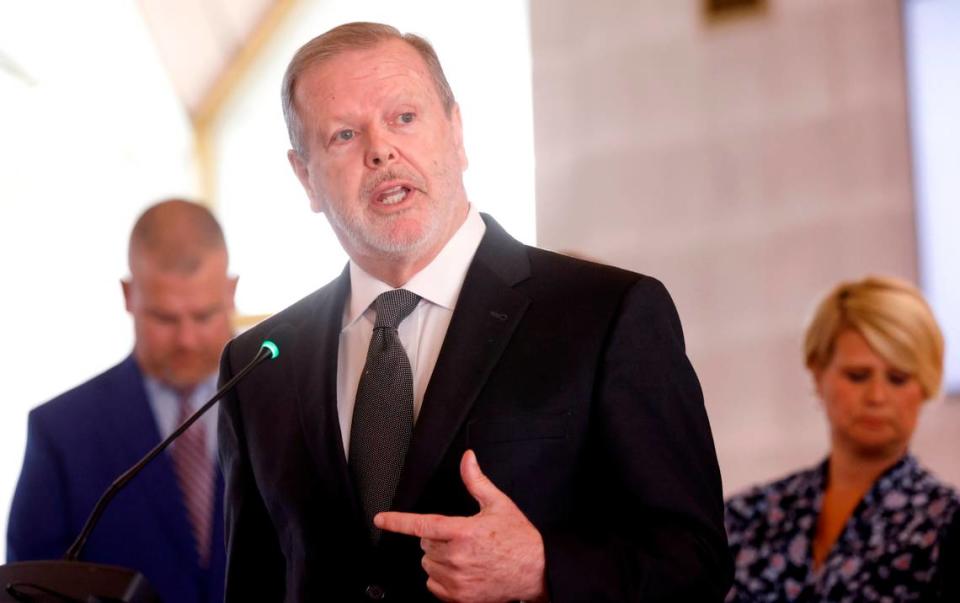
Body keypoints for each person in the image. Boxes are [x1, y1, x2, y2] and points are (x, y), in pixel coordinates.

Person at [218, 22, 731, 602]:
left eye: (404, 118)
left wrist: (542, 570)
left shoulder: (605, 314)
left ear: (456, 133)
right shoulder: (257, 365)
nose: (381, 149)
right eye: (343, 135)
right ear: (305, 176)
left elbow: (696, 563)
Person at [8, 199, 236, 603]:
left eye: (205, 316)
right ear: (129, 295)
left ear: (232, 291)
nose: (187, 339)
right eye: (164, 318)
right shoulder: (61, 433)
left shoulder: (283, 409)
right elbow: (28, 589)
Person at [724, 276, 960, 602]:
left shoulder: (945, 527)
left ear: (928, 385)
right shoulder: (745, 517)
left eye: (898, 378)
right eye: (857, 375)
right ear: (818, 372)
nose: (877, 396)